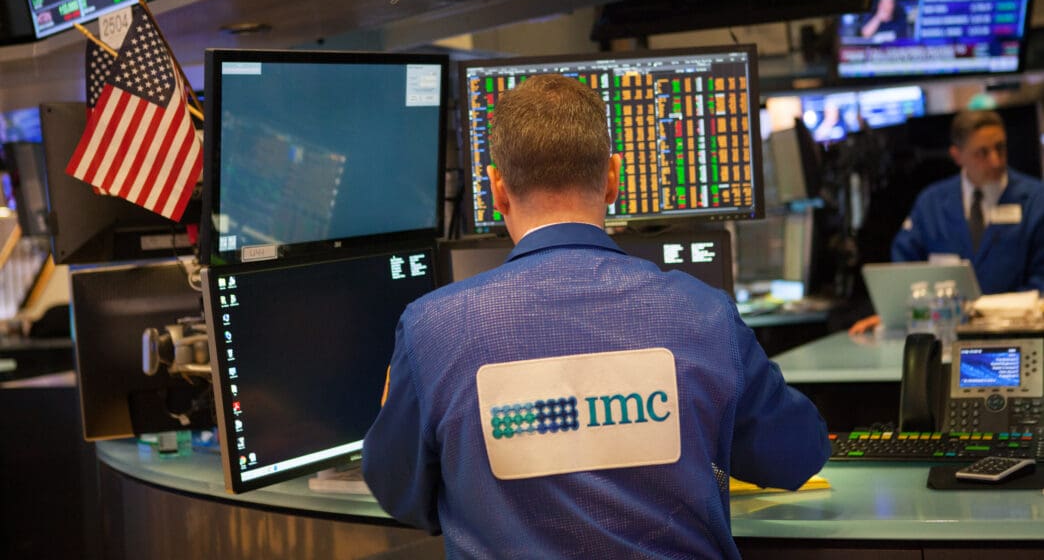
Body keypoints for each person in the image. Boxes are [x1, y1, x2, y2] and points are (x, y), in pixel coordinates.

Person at [363, 74, 830, 558]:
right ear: (612, 178)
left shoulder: (431, 330)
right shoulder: (705, 314)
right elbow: (798, 456)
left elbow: (401, 498)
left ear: (497, 189)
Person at [850, 109, 1044, 334]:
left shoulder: (1036, 199)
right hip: (944, 332)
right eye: (982, 153)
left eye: (1000, 148)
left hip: (1015, 331)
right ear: (957, 155)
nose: (995, 161)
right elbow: (904, 269)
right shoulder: (931, 202)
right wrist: (894, 315)